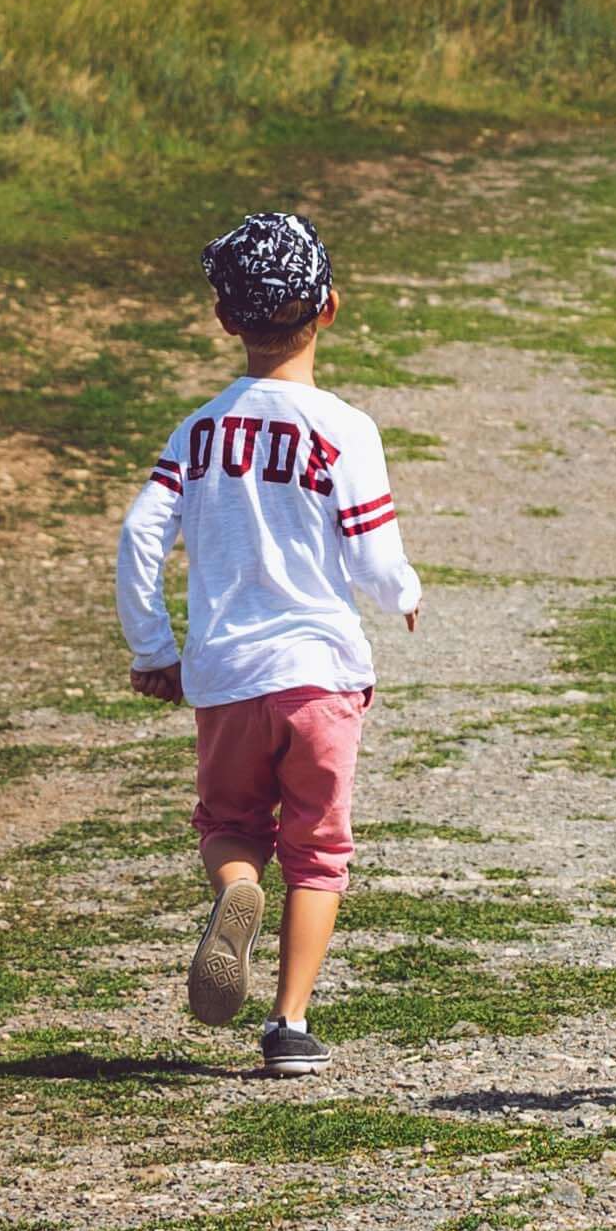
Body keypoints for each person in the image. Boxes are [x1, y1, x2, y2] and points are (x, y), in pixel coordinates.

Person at [117, 213, 422, 1078]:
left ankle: (236, 891)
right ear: (329, 309)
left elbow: (141, 535)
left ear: (226, 321)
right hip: (321, 678)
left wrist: (155, 649)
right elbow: (373, 555)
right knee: (319, 852)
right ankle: (288, 1025)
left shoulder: (199, 433)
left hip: (226, 679)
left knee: (229, 826)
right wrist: (403, 593)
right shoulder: (345, 429)